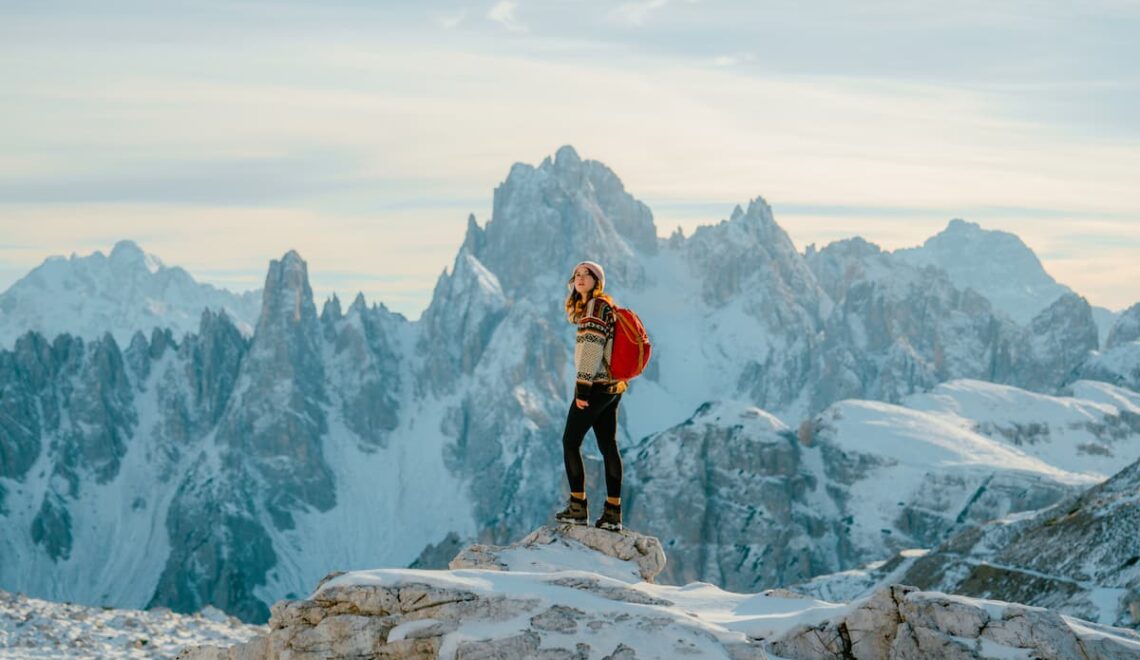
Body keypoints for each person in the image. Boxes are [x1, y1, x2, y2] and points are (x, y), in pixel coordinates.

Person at [554, 260, 628, 531]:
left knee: (570, 442)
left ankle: (577, 508)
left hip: (595, 387)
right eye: (577, 274)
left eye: (587, 274)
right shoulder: (600, 307)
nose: (581, 278)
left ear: (598, 281)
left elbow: (592, 351)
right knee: (608, 445)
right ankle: (612, 513)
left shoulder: (596, 307)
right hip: (612, 387)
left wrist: (582, 389)